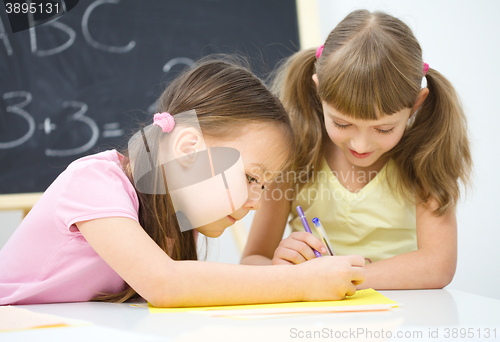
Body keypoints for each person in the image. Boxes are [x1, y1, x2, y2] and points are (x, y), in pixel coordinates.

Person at [0, 57, 366, 306]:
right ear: (188, 148)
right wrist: (299, 285)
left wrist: (276, 273)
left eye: (265, 186)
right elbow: (165, 284)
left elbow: (191, 288)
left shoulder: (177, 223)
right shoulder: (94, 181)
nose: (257, 201)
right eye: (252, 177)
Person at [241, 10, 472, 290]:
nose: (360, 145)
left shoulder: (424, 157)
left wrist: (343, 277)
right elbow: (253, 260)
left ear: (416, 104)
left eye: (384, 129)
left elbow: (438, 265)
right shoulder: (295, 156)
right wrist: (287, 273)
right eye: (341, 123)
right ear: (319, 91)